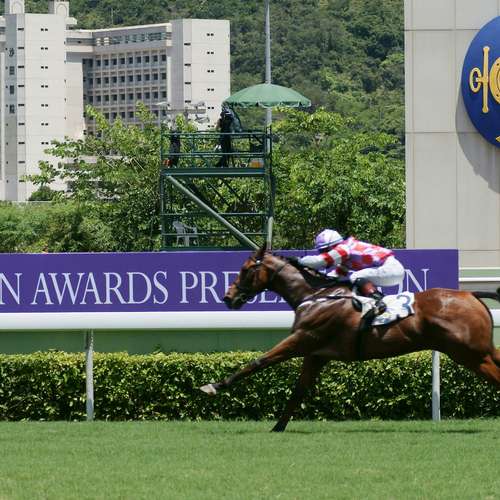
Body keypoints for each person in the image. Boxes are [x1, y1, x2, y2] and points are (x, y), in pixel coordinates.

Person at [298, 229, 405, 314]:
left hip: (391, 268)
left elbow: (320, 261)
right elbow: (334, 277)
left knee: (355, 277)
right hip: (390, 268)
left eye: (325, 250)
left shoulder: (344, 248)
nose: (323, 253)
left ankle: (378, 301)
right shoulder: (346, 258)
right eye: (321, 251)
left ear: (333, 245)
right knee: (354, 279)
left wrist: (299, 261)